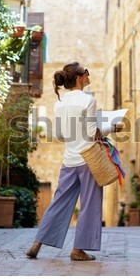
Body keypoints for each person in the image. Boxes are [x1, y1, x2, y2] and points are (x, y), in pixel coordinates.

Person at [26, 62, 122, 261]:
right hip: (89, 160)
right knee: (89, 204)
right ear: (79, 78)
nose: (89, 76)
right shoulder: (88, 100)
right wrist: (113, 127)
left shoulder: (59, 103)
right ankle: (78, 250)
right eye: (86, 73)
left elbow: (60, 135)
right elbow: (90, 133)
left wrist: (76, 135)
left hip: (69, 160)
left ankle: (38, 242)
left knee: (59, 201)